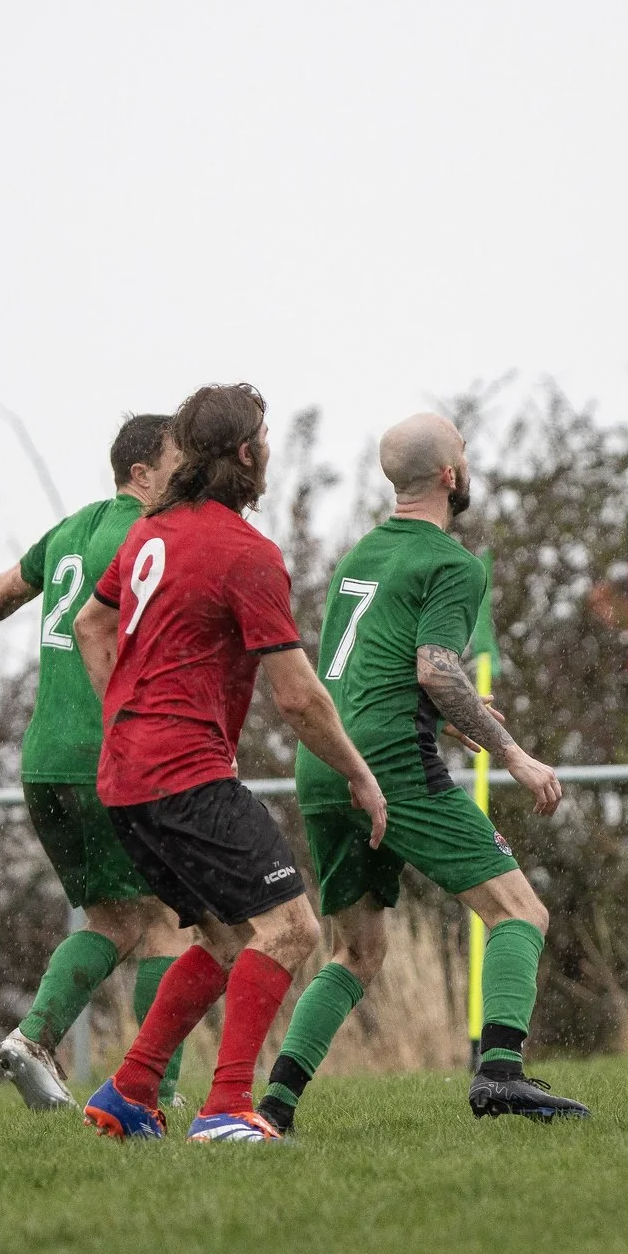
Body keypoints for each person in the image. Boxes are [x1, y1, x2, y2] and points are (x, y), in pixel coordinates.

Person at [70, 382, 390, 1145]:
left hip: (125, 778)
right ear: (247, 453)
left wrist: (124, 716)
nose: (270, 452)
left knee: (221, 936)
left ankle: (129, 1091)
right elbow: (300, 698)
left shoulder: (148, 534)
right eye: (266, 441)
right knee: (289, 928)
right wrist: (358, 771)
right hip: (186, 775)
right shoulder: (247, 555)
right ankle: (226, 1109)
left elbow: (91, 623)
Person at [259, 413, 588, 1129]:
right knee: (519, 913)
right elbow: (436, 671)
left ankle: (273, 1110)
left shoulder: (361, 555)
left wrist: (447, 718)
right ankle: (500, 1073)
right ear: (450, 475)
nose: (467, 463)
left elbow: (367, 675)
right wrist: (514, 754)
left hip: (323, 763)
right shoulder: (452, 564)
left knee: (356, 950)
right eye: (464, 452)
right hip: (387, 763)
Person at [0, 414, 191, 1112]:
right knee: (169, 920)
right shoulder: (150, 536)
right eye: (179, 458)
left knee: (115, 919)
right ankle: (155, 1095)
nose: (189, 469)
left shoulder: (72, 530)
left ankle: (34, 1039)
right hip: (110, 754)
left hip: (45, 760)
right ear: (141, 472)